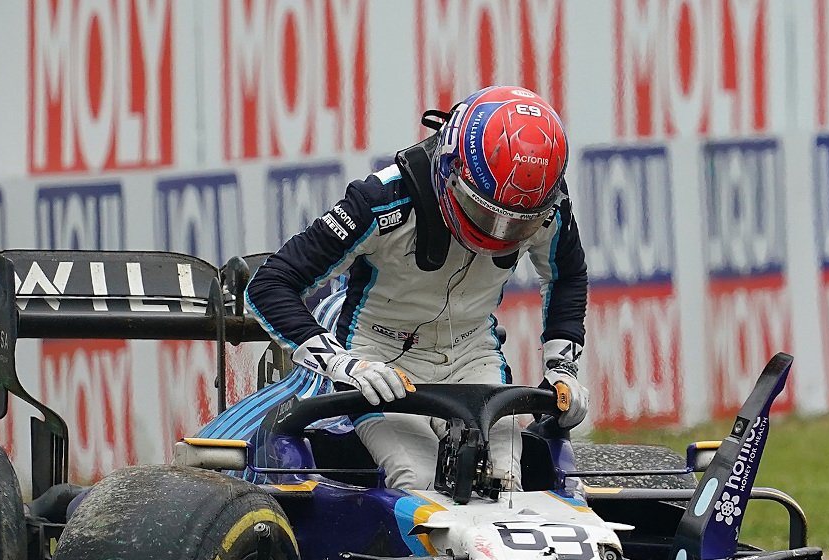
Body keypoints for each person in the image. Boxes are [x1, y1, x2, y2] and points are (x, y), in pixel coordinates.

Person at [246, 85, 589, 491]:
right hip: (379, 357)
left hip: (473, 351)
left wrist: (561, 369)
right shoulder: (379, 199)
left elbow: (567, 275)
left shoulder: (548, 203)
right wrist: (343, 366)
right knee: (418, 480)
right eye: (488, 213)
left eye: (520, 223)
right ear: (452, 169)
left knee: (506, 483)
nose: (501, 232)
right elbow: (270, 284)